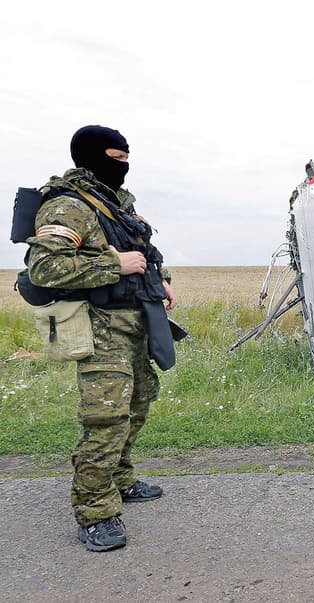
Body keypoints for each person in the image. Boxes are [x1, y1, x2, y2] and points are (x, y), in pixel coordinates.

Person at [24, 125, 177, 551]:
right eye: (116, 157)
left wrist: (159, 280)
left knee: (139, 402)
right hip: (98, 326)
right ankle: (95, 511)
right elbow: (44, 269)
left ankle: (121, 479)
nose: (124, 166)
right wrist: (117, 268)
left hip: (136, 322)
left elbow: (138, 253)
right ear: (90, 157)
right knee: (106, 418)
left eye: (127, 158)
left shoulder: (115, 205)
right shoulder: (69, 206)